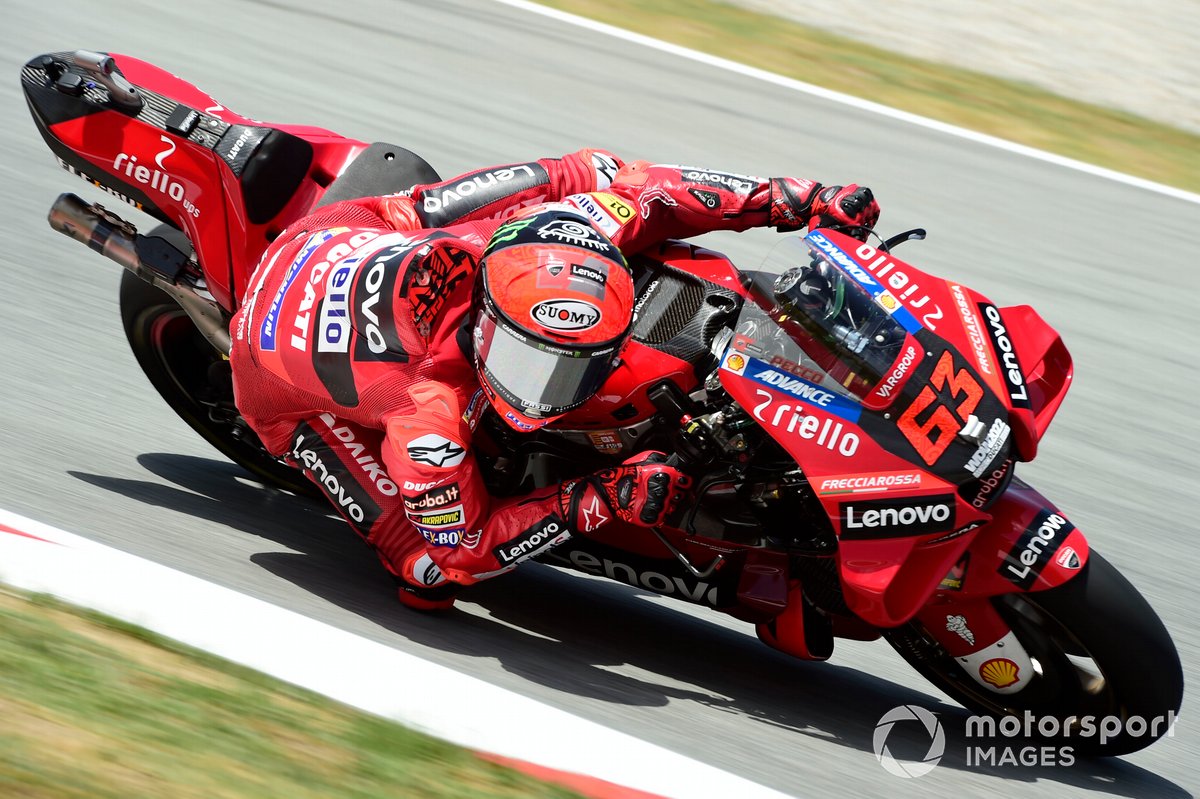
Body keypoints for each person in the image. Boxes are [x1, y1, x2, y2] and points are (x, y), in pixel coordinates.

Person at [228, 148, 880, 609]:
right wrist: (604, 495)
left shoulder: (552, 235)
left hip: (359, 231)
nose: (546, 392)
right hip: (270, 370)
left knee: (591, 172)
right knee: (429, 573)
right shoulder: (426, 415)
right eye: (531, 362)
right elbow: (465, 550)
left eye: (575, 366)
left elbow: (649, 188)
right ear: (488, 326)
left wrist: (799, 200)